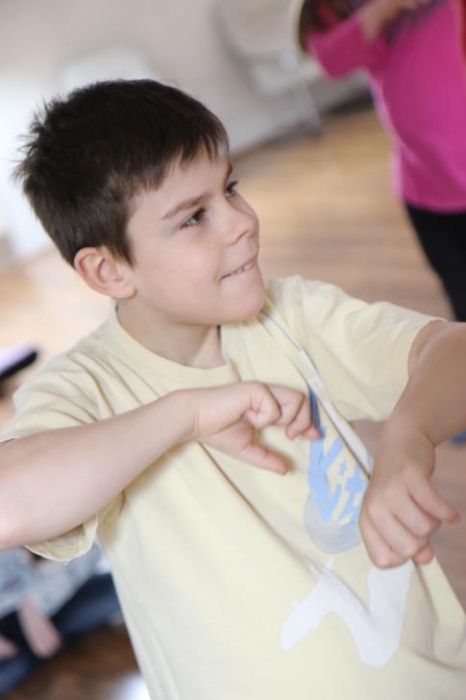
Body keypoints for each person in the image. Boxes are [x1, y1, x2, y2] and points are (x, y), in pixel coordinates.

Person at [0, 79, 465, 699]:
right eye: (194, 217)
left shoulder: (287, 315)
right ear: (108, 270)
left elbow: (451, 348)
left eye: (231, 189)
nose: (243, 221)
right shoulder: (86, 390)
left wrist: (409, 433)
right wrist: (186, 415)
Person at [293, 0, 466, 323]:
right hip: (423, 182)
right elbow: (332, 59)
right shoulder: (335, 7)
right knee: (459, 287)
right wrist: (386, 7)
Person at [0, 543, 121, 694]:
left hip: (54, 599)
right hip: (21, 630)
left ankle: (43, 650)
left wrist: (32, 605)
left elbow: (90, 548)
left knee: (116, 591)